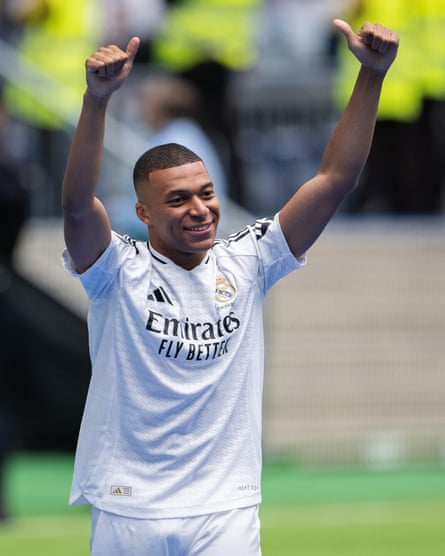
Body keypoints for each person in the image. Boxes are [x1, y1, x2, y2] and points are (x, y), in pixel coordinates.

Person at [61, 18, 398, 555]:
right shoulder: (115, 271)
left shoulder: (250, 259)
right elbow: (78, 204)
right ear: (142, 213)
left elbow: (334, 179)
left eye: (206, 193)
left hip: (225, 512)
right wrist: (96, 102)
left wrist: (372, 76)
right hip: (129, 509)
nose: (199, 209)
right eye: (177, 200)